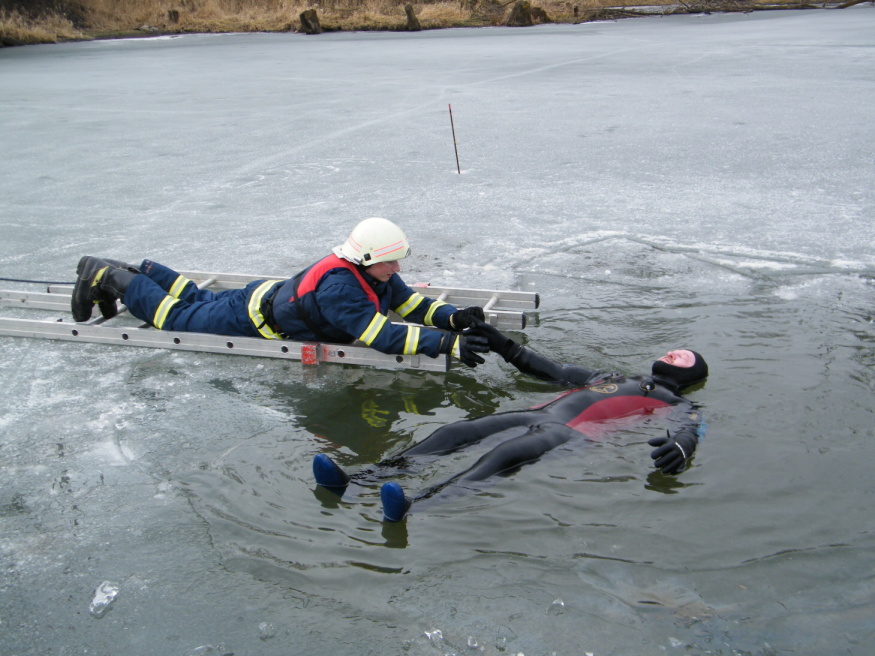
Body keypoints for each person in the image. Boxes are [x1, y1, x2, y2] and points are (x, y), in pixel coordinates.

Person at [313, 322, 709, 521]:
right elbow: (550, 369)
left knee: (500, 457)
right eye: (673, 350)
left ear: (693, 375)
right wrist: (501, 343)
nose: (675, 352)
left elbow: (694, 425)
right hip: (536, 415)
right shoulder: (610, 376)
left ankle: (414, 506)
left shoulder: (672, 399)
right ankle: (361, 478)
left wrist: (683, 445)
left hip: (568, 433)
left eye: (684, 356)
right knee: (454, 432)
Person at [70, 217, 489, 366]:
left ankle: (139, 271)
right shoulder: (342, 288)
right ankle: (110, 278)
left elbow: (410, 304)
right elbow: (382, 335)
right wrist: (448, 345)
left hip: (265, 297)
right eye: (391, 261)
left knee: (194, 299)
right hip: (250, 318)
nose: (397, 269)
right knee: (175, 317)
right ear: (365, 258)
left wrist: (452, 318)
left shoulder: (371, 270)